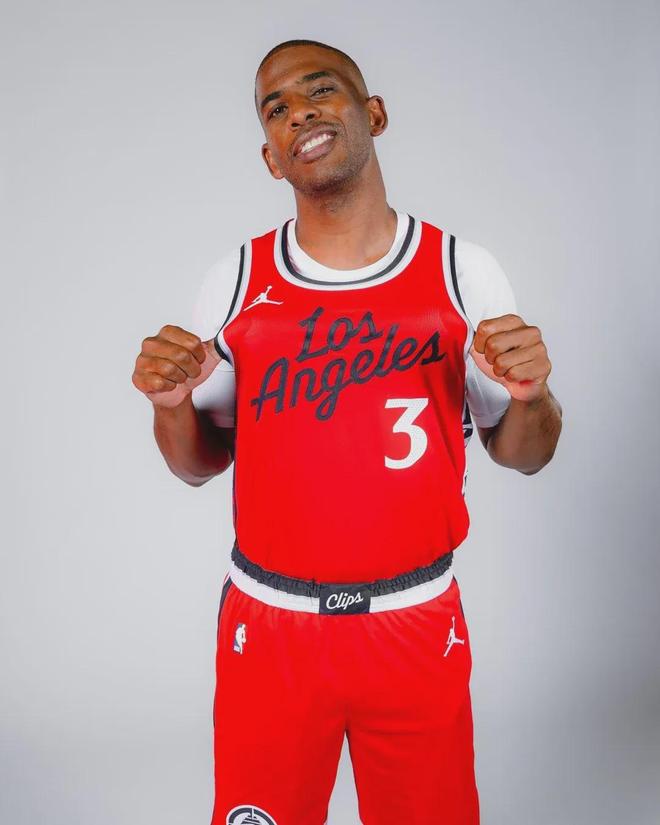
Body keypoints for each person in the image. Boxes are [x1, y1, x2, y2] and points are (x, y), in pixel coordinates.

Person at [132, 38, 562, 825]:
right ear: (271, 157)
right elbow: (197, 465)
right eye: (277, 108)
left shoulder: (461, 269)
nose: (300, 111)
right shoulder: (236, 280)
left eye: (320, 89)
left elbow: (525, 453)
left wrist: (533, 396)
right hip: (272, 624)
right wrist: (169, 407)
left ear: (375, 113)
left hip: (415, 620)